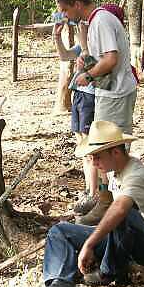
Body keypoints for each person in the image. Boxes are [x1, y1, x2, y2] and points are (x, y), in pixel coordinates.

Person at [28, 120, 144, 287]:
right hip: (127, 238)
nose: (94, 163)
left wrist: (89, 244)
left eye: (97, 157)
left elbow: (120, 209)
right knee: (60, 231)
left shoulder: (137, 174)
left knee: (124, 213)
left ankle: (108, 271)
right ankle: (60, 283)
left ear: (115, 152)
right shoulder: (116, 171)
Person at [56, 0, 137, 225]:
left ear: (77, 4)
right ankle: (107, 199)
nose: (65, 16)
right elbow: (102, 59)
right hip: (109, 92)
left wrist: (87, 76)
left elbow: (112, 60)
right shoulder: (94, 22)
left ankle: (113, 204)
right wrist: (87, 60)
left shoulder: (100, 20)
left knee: (110, 148)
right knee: (102, 146)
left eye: (65, 10)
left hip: (115, 94)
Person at [52, 19, 98, 216]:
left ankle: (94, 193)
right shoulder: (83, 44)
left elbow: (91, 63)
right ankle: (89, 190)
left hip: (90, 96)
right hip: (78, 94)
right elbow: (65, 55)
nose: (80, 26)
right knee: (81, 145)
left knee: (91, 149)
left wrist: (84, 36)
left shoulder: (97, 45)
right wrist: (56, 36)